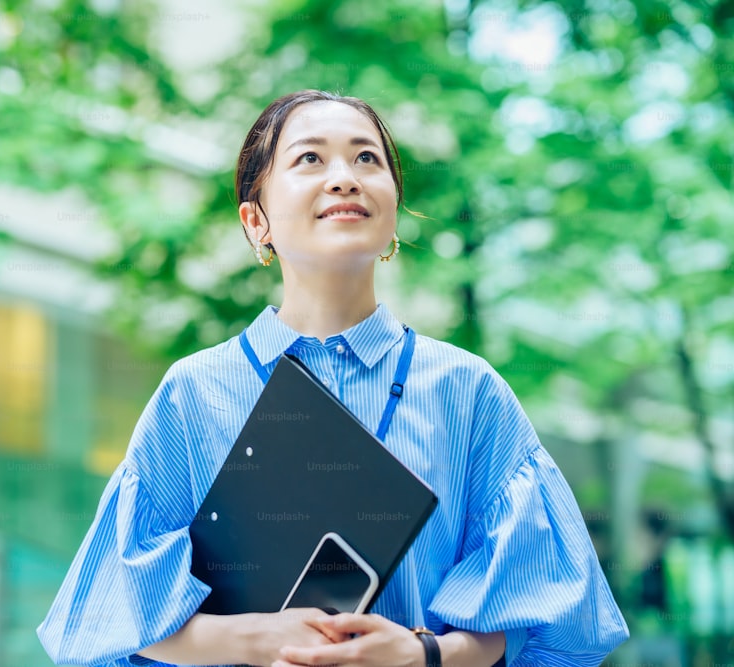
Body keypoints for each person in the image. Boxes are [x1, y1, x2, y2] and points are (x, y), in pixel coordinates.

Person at [37, 90, 629, 667]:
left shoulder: (467, 390)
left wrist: (420, 654)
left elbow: (531, 618)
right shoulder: (195, 392)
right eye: (310, 158)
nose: (345, 177)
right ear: (256, 220)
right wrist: (260, 640)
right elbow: (112, 621)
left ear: (393, 210)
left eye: (367, 158)